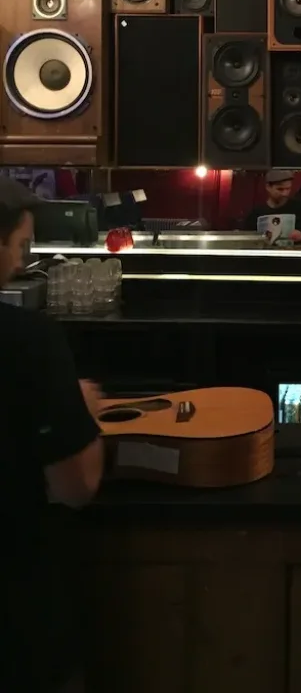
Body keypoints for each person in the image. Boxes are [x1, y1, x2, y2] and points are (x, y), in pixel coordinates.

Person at [0, 177, 104, 692]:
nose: (21, 264)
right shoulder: (29, 340)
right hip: (16, 622)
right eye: (20, 247)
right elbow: (75, 487)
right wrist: (81, 409)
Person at [243, 169, 301, 242]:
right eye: (280, 189)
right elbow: (246, 239)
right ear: (268, 187)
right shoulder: (257, 213)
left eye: (288, 189)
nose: (285, 193)